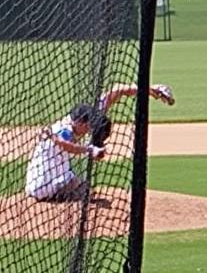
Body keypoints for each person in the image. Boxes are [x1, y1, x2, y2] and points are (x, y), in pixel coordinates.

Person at [25, 82, 174, 201]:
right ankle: (61, 196)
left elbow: (117, 91)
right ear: (79, 122)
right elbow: (65, 145)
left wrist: (151, 89)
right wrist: (89, 150)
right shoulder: (63, 130)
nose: (90, 128)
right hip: (43, 185)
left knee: (82, 186)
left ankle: (65, 192)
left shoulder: (79, 122)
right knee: (84, 191)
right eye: (88, 125)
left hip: (48, 176)